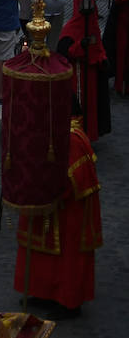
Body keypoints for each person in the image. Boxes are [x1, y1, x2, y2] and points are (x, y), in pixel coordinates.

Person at [14, 113, 101, 320]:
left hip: (70, 210)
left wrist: (42, 191)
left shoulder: (71, 138)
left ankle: (69, 303)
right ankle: (46, 293)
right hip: (52, 203)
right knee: (45, 252)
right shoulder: (56, 131)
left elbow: (74, 179)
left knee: (67, 256)